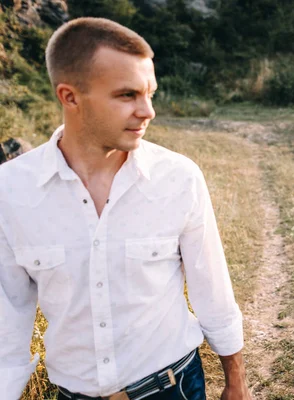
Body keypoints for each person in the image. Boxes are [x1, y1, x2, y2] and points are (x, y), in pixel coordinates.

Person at [0, 18, 251, 400]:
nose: (148, 111)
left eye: (150, 93)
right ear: (70, 97)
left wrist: (237, 381)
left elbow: (212, 290)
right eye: (127, 95)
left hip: (174, 388)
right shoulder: (11, 191)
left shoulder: (178, 177)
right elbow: (8, 318)